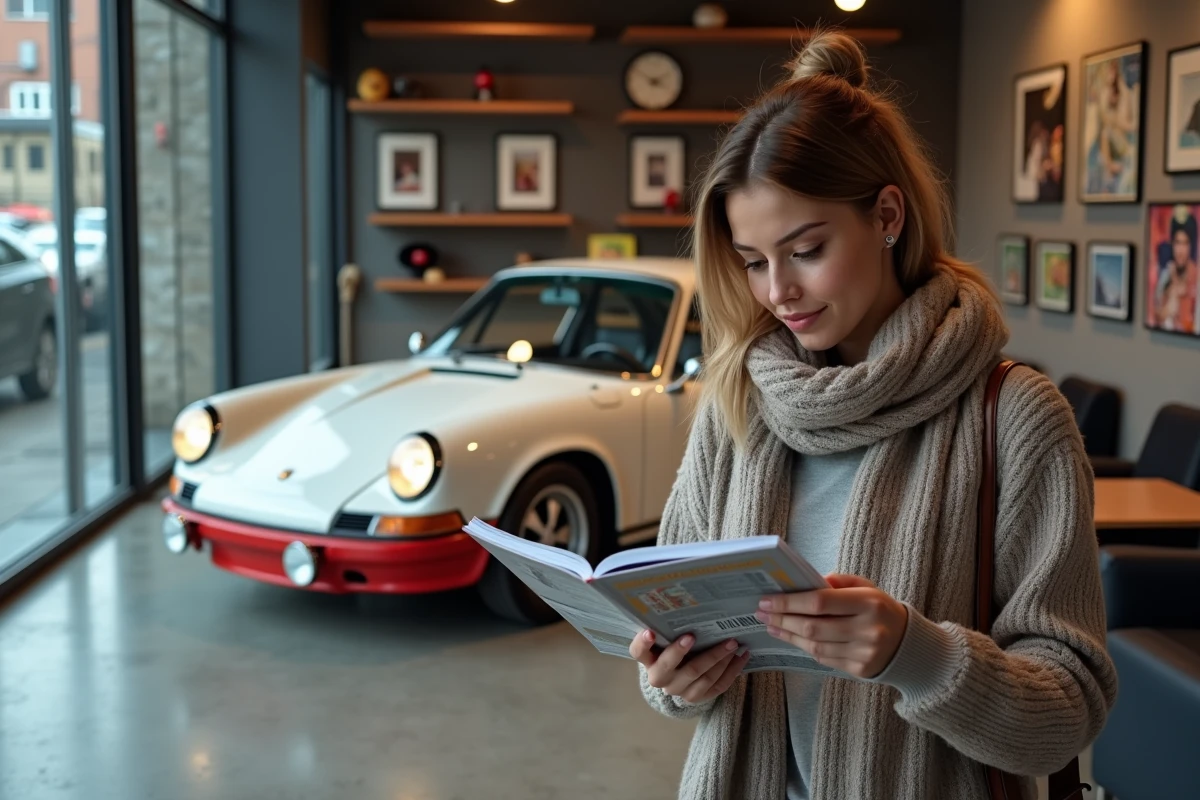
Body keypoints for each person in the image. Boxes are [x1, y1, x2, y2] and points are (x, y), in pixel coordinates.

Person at [628, 29, 1117, 800]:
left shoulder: (1016, 415)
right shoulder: (738, 407)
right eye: (753, 262)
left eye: (806, 248)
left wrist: (914, 653)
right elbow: (669, 671)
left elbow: (1069, 714)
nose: (778, 290)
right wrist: (674, 677)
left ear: (886, 214)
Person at [1154, 208, 1198, 333]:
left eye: (1185, 244)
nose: (1180, 251)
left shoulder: (1197, 277)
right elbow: (1155, 317)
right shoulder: (1165, 274)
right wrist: (1168, 308)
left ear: (1191, 246)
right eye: (1177, 243)